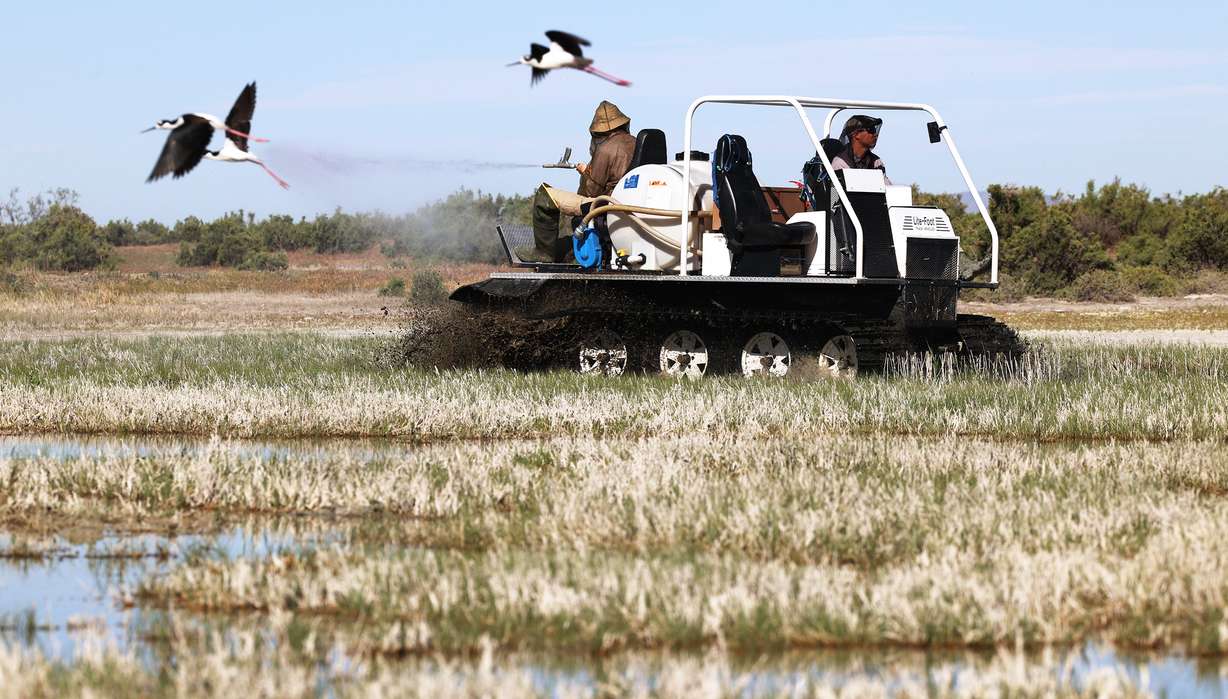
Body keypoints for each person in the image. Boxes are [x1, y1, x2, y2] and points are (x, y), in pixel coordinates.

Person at [530, 101, 636, 262]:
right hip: (632, 207)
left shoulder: (605, 149)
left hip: (606, 205)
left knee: (545, 196)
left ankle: (544, 254)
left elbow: (591, 192)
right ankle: (568, 251)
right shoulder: (636, 142)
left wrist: (586, 172)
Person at [831, 114, 890, 184]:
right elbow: (835, 193)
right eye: (871, 130)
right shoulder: (840, 163)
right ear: (856, 134)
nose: (875, 134)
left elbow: (888, 188)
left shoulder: (876, 162)